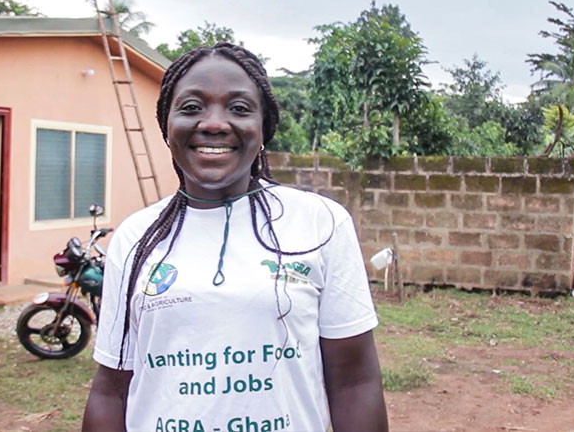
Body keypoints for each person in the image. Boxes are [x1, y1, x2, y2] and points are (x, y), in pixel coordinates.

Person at [83, 42, 388, 432]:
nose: (213, 123)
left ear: (263, 128)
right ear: (167, 125)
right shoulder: (136, 237)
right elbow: (111, 392)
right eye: (191, 107)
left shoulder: (318, 224)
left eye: (239, 109)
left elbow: (354, 382)